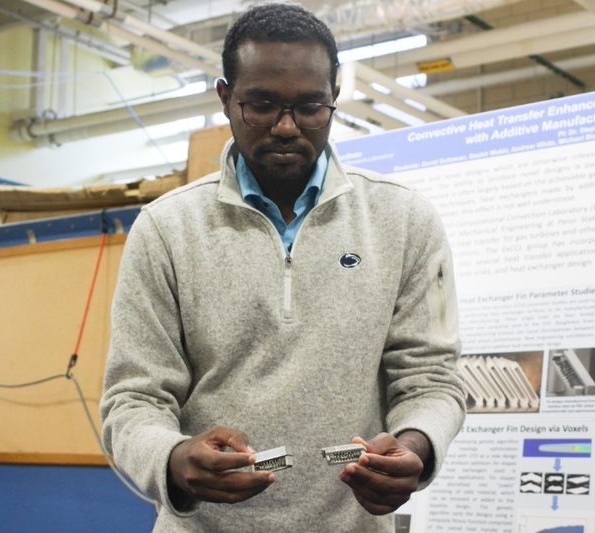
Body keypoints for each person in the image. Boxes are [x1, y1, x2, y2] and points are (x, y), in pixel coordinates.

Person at [100, 3, 465, 531]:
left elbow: (431, 379)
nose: (287, 128)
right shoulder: (165, 229)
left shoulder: (404, 219)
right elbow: (134, 398)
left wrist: (415, 447)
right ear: (226, 98)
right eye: (262, 106)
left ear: (335, 97)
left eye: (311, 107)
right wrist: (175, 460)